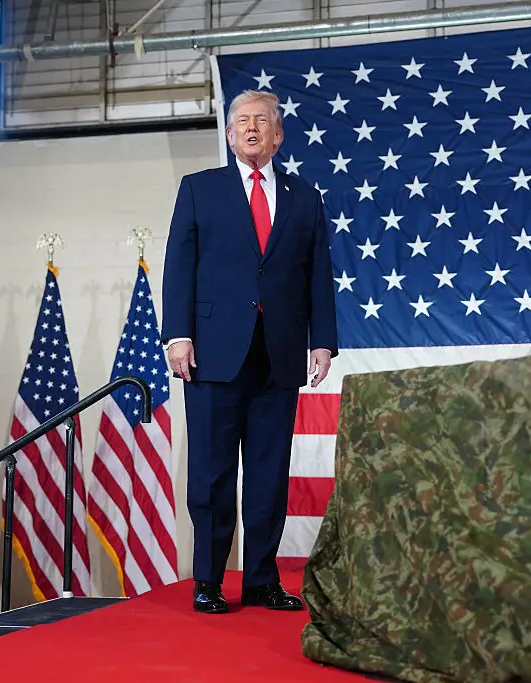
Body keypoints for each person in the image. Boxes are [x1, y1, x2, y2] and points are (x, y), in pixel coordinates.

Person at [161, 89, 339, 614]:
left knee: (268, 473)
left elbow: (317, 275)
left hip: (279, 354)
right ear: (230, 133)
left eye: (262, 120)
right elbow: (179, 267)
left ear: (279, 134)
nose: (252, 127)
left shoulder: (305, 197)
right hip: (213, 354)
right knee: (212, 474)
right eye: (242, 120)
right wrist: (178, 334)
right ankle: (209, 581)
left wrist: (323, 340)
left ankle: (261, 579)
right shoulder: (199, 190)